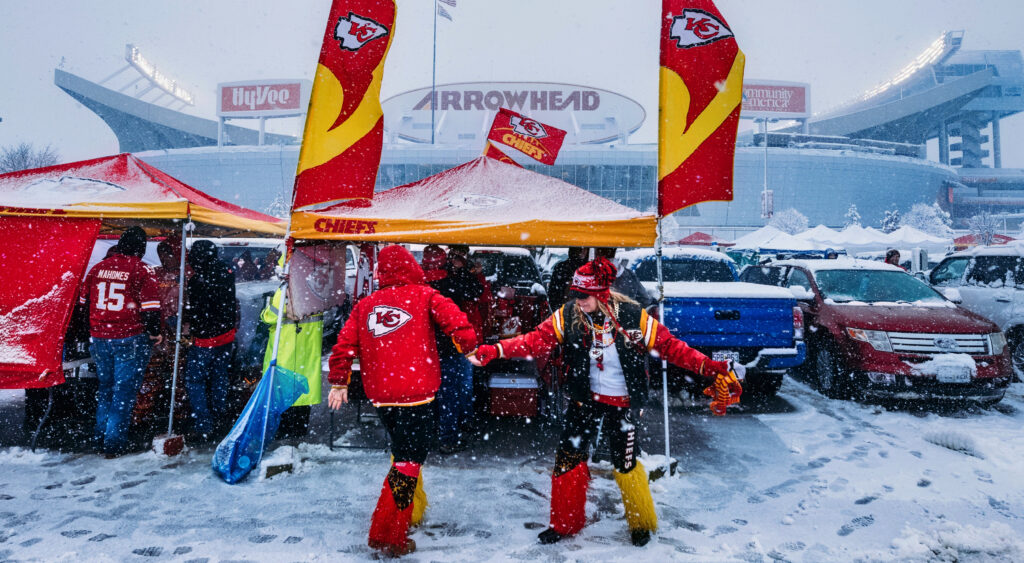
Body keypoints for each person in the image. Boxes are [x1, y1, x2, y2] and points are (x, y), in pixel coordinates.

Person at [469, 257, 742, 547]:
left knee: (624, 463)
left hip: (623, 402)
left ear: (601, 294)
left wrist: (710, 368)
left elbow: (671, 347)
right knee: (567, 460)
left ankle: (640, 522)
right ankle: (564, 523)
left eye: (583, 296)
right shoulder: (568, 315)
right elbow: (535, 341)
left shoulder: (632, 316)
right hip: (583, 401)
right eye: (574, 295)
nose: (578, 301)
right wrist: (495, 350)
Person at [327, 245, 477, 557]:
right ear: (412, 266)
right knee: (409, 461)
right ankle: (387, 532)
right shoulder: (426, 296)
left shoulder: (365, 305)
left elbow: (343, 345)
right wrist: (468, 346)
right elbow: (459, 323)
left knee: (402, 454)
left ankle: (409, 513)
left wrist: (340, 381)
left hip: (381, 397)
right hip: (417, 394)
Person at [79, 227, 162, 457]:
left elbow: (83, 303)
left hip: (100, 337)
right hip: (129, 337)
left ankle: (100, 437)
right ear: (141, 247)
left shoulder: (97, 268)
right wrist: (155, 333)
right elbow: (151, 309)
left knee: (106, 388)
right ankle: (113, 444)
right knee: (123, 393)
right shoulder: (143, 270)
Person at [421, 245, 483, 453]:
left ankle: (427, 435)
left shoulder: (418, 284)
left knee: (426, 394)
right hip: (449, 346)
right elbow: (476, 291)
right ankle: (448, 438)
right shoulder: (451, 282)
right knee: (451, 393)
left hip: (424, 348)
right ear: (444, 261)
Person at [260, 256, 323, 438]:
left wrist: (264, 312)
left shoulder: (285, 289)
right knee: (303, 392)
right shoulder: (316, 289)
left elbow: (270, 317)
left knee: (283, 393)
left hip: (286, 349)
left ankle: (284, 436)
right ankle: (298, 432)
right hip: (308, 348)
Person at [183, 240, 237, 443]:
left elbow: (197, 310)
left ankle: (204, 424)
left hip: (206, 337)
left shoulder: (199, 280)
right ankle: (219, 415)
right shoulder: (227, 271)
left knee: (195, 380)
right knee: (219, 376)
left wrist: (193, 329)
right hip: (226, 334)